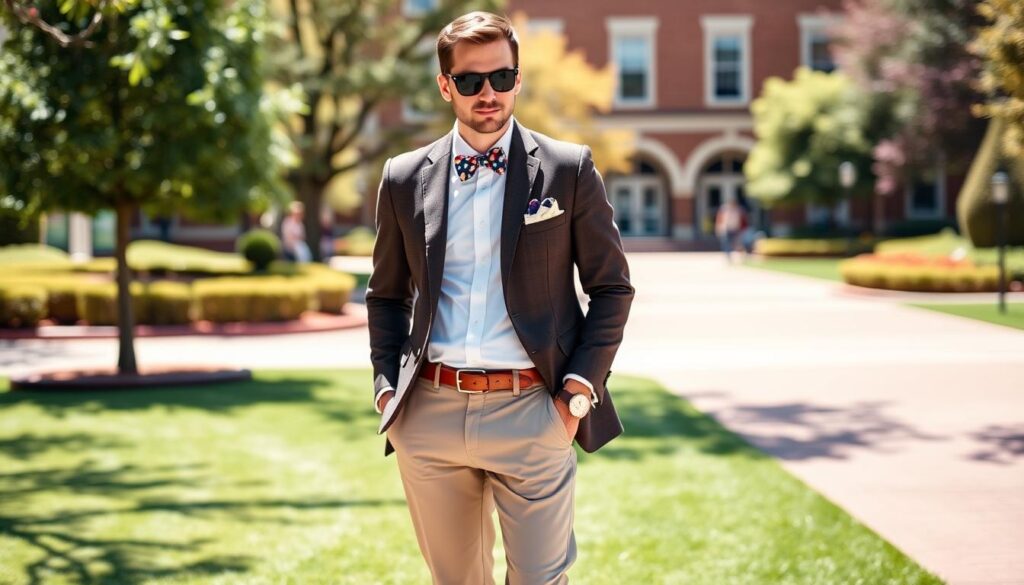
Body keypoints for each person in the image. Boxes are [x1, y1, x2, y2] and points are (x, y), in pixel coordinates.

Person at [366, 11, 634, 585]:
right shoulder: (403, 177)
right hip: (430, 412)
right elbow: (386, 295)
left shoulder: (568, 169)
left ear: (518, 78)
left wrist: (576, 397)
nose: (488, 93)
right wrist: (387, 391)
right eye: (470, 81)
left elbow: (612, 287)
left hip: (534, 410)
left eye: (501, 77)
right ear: (445, 86)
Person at [715, 196, 747, 263]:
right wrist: (718, 228)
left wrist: (742, 228)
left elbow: (743, 219)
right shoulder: (724, 209)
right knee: (726, 244)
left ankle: (742, 257)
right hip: (726, 229)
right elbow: (719, 219)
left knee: (738, 244)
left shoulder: (738, 209)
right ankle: (728, 258)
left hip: (736, 229)